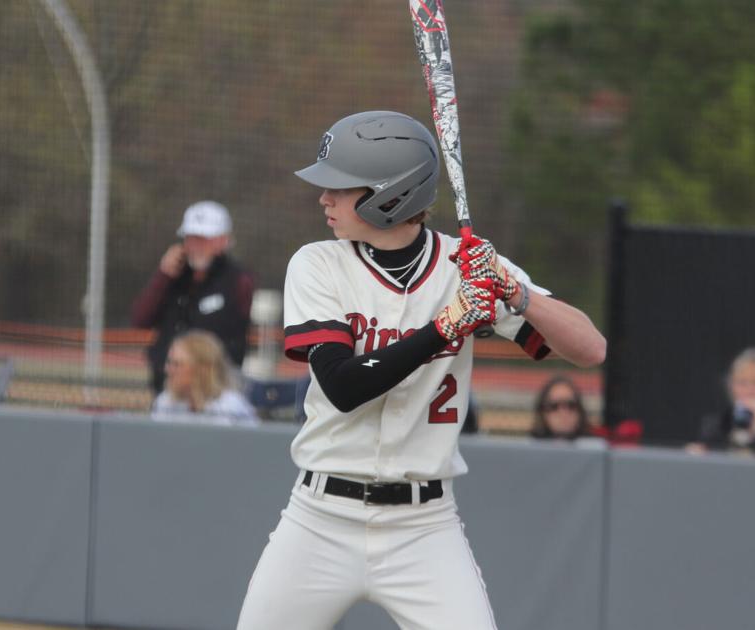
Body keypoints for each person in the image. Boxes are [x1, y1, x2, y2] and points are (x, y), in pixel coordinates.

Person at [235, 110, 606, 629]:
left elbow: (590, 348)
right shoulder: (318, 263)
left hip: (423, 525)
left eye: (340, 188)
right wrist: (446, 326)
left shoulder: (467, 266)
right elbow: (344, 386)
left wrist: (513, 291)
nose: (324, 198)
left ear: (390, 196)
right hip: (320, 518)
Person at [130, 200, 255, 394]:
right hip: (167, 385)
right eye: (190, 238)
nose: (195, 246)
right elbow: (140, 319)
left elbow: (238, 332)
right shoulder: (173, 277)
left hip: (215, 388)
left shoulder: (238, 280)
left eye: (203, 239)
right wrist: (162, 275)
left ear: (223, 241)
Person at [149, 330, 258, 426]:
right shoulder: (165, 402)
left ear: (203, 369)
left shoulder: (230, 406)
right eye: (169, 363)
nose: (168, 370)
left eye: (177, 364)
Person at [530, 375, 593, 440]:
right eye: (554, 406)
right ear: (542, 411)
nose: (563, 413)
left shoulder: (597, 447)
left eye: (571, 405)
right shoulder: (527, 448)